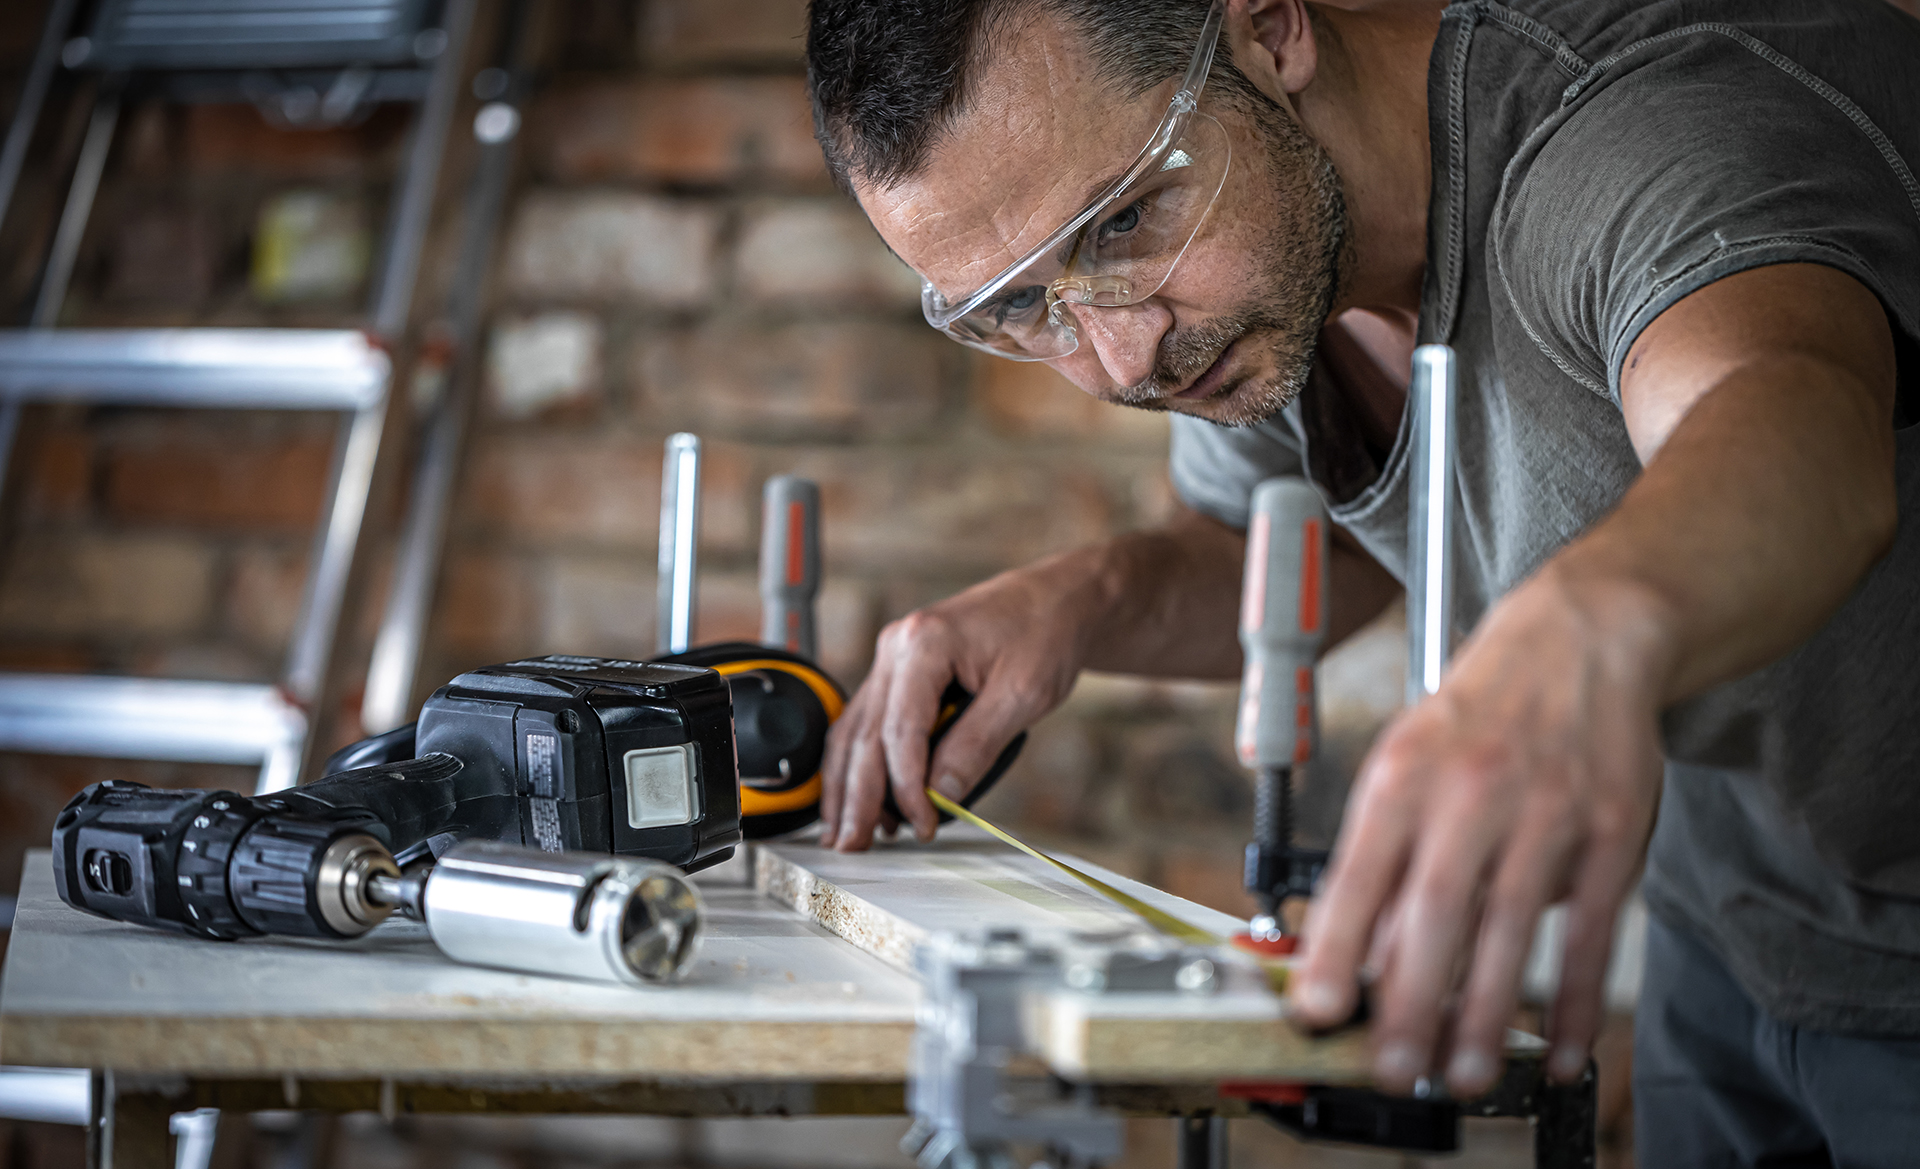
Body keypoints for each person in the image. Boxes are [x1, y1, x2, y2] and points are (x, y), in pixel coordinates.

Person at [803, 0, 1920, 1160]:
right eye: (1026, 305)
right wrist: (1082, 598)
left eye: (1125, 218)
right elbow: (1315, 552)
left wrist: (1588, 627)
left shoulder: (1638, 132)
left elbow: (1805, 427)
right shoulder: (1270, 276)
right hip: (1736, 925)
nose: (1124, 359)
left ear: (1270, 31)